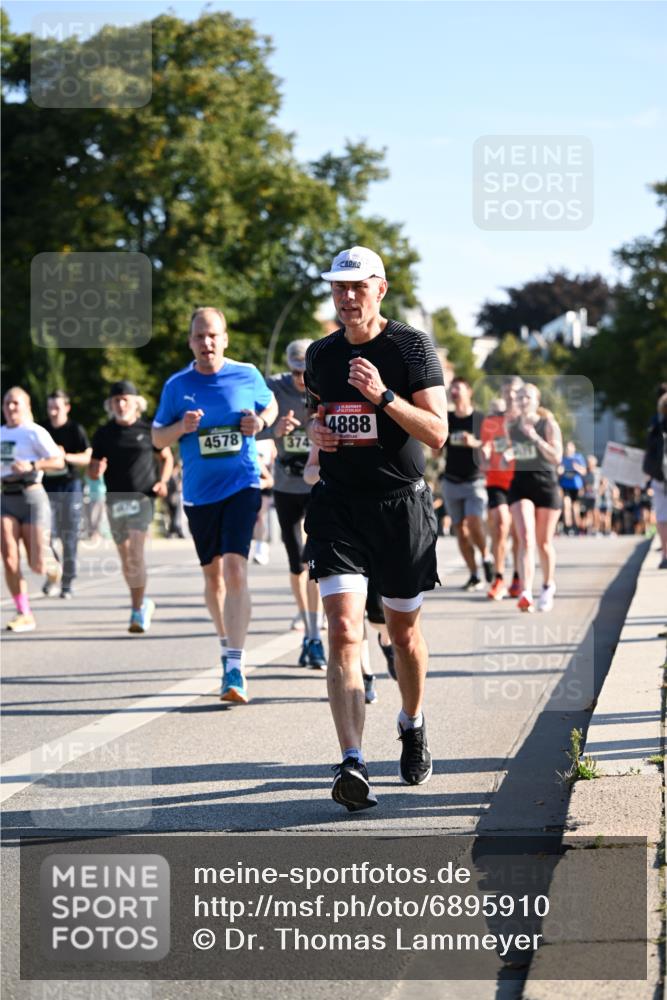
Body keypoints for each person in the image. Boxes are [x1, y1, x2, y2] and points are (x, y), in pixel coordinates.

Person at [304, 246, 447, 811]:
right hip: (339, 506)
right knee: (342, 631)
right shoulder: (320, 355)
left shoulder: (409, 346)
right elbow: (320, 418)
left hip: (400, 506)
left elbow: (437, 432)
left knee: (403, 633)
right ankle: (352, 761)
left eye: (357, 287)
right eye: (338, 288)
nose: (347, 298)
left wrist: (382, 396)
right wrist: (317, 436)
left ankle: (412, 723)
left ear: (380, 289)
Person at [152, 306, 278, 703]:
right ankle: (226, 646)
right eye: (199, 336)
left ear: (224, 339)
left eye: (213, 336)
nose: (206, 343)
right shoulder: (177, 385)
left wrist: (260, 422)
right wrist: (180, 428)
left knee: (236, 569)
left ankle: (236, 667)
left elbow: (270, 405)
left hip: (242, 483)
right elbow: (157, 439)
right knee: (213, 578)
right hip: (199, 494)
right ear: (190, 341)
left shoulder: (247, 374)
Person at [90, 380, 173, 633]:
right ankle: (142, 602)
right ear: (110, 405)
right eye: (116, 400)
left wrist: (163, 481)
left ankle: (136, 611)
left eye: (126, 399)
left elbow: (166, 457)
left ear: (137, 402)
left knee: (136, 553)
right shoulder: (103, 433)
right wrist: (96, 471)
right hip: (116, 500)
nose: (121, 404)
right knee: (126, 559)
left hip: (143, 498)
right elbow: (93, 471)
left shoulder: (149, 429)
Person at [267, 339, 326, 669]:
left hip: (317, 484)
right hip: (286, 484)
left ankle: (314, 633)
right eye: (295, 371)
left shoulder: (325, 386)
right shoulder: (273, 387)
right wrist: (274, 429)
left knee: (314, 559)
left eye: (305, 372)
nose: (300, 378)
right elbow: (251, 426)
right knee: (295, 563)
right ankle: (307, 621)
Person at [1, 387, 65, 632]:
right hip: (6, 496)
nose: (10, 407)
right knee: (8, 557)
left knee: (37, 564)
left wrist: (32, 464)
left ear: (27, 406)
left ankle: (51, 564)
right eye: (7, 403)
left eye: (16, 403)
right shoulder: (1, 433)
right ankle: (24, 612)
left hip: (32, 496)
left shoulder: (35, 432)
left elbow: (57, 460)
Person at [507, 384, 563, 612]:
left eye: (527, 396)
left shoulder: (547, 424)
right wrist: (504, 456)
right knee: (526, 539)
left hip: (546, 486)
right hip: (520, 486)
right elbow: (508, 451)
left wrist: (536, 438)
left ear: (537, 401)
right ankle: (526, 591)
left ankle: (548, 586)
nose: (522, 400)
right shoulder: (511, 426)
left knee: (544, 543)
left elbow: (557, 457)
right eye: (519, 397)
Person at [440, 377, 492, 591]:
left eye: (458, 387)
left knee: (474, 522)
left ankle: (486, 555)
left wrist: (475, 443)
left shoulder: (480, 419)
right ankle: (474, 574)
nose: (454, 391)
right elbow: (437, 449)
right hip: (451, 480)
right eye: (451, 388)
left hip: (474, 481)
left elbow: (490, 448)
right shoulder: (447, 418)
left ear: (469, 391)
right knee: (460, 531)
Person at [41, 389, 91, 598]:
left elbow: (87, 457)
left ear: (67, 408)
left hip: (70, 487)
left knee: (68, 536)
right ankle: (54, 574)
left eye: (57, 407)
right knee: (46, 537)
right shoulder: (41, 430)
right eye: (50, 407)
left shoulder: (75, 429)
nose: (53, 412)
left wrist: (65, 457)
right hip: (45, 487)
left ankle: (67, 582)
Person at [480, 377, 522, 600]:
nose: (510, 397)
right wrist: (485, 451)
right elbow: (486, 444)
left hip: (519, 481)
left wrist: (514, 453)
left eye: (514, 392)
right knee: (501, 525)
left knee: (517, 532)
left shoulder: (526, 422)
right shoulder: (491, 422)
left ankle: (517, 578)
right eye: (506, 393)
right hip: (495, 480)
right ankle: (498, 578)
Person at [643, 391, 667, 567]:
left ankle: (666, 554)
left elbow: (649, 451)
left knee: (662, 517)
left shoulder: (656, 426)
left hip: (660, 476)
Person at [250, 437, 276, 565]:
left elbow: (273, 456)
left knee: (261, 515)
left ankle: (260, 548)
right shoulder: (250, 435)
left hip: (265, 478)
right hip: (251, 474)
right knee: (253, 516)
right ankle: (257, 545)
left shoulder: (269, 439)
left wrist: (270, 476)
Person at [558, 441, 586, 535]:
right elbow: (558, 472)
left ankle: (576, 527)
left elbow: (584, 472)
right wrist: (559, 471)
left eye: (570, 447)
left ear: (573, 448)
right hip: (565, 485)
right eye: (566, 448)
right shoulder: (562, 459)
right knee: (566, 505)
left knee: (575, 507)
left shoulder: (578, 458)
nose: (568, 449)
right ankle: (567, 527)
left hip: (576, 486)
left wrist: (577, 467)